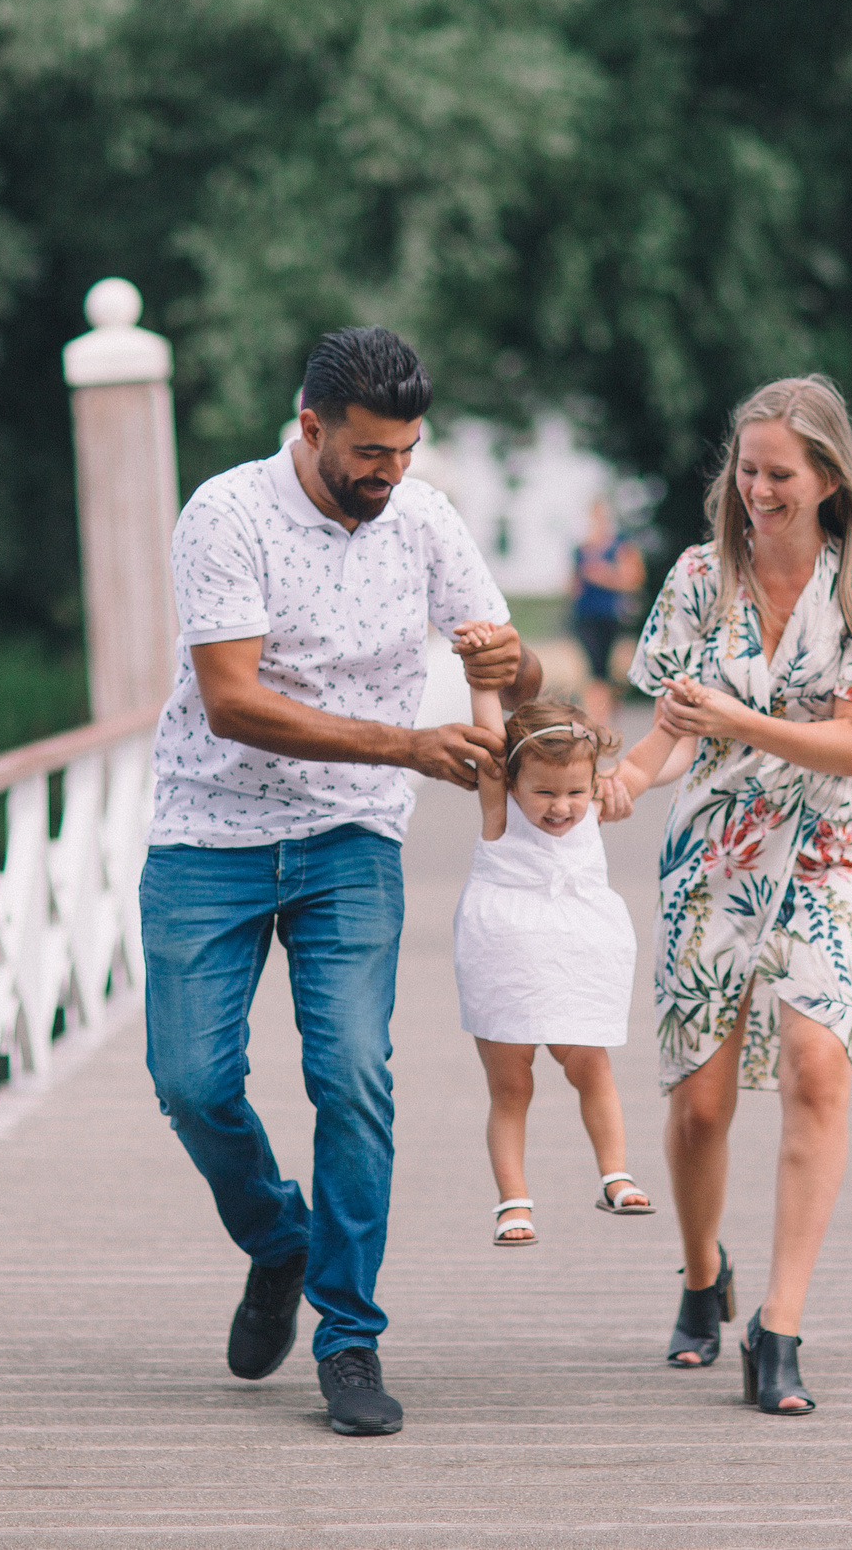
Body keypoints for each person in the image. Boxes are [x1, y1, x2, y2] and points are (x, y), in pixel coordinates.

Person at [141, 325, 542, 1438]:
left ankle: (349, 1338)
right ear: (309, 427)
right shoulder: (225, 515)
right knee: (191, 1084)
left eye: (407, 450)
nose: (390, 473)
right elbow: (232, 699)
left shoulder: (422, 517)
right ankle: (281, 1241)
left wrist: (518, 669)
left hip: (349, 841)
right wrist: (406, 744)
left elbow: (505, 656)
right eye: (370, 452)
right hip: (207, 831)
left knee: (354, 1075)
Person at [599, 374, 852, 1417]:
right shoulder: (698, 577)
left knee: (819, 1069)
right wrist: (623, 779)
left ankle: (777, 1328)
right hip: (714, 852)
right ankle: (702, 1278)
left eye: (780, 474)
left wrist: (738, 719)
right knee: (700, 1103)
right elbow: (665, 737)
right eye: (747, 471)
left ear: (828, 477)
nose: (759, 492)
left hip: (828, 848)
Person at [445, 639, 656, 1247]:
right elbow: (489, 733)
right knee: (513, 1085)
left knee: (592, 1064)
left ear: (591, 783)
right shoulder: (500, 810)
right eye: (544, 793)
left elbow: (653, 754)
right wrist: (481, 672)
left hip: (578, 951)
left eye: (574, 793)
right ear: (513, 781)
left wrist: (676, 718)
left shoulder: (592, 807)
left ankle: (614, 1173)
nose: (561, 808)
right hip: (505, 954)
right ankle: (513, 1201)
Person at [570, 498, 645, 728]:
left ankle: (606, 713)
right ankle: (597, 718)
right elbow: (573, 584)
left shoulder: (621, 546)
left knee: (607, 667)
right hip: (585, 615)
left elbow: (634, 580)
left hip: (611, 615)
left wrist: (603, 576)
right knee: (594, 667)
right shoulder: (580, 549)